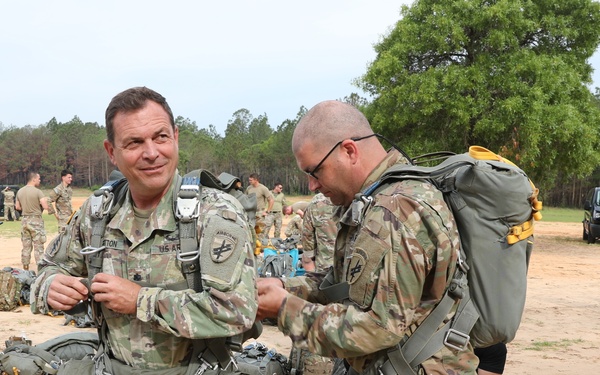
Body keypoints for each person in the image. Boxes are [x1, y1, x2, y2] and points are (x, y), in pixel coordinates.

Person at [30, 87, 257, 374]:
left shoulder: (214, 213)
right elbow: (47, 270)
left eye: (160, 137)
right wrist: (50, 286)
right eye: (135, 143)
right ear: (112, 152)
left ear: (175, 137)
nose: (151, 153)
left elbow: (236, 312)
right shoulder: (97, 213)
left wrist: (140, 300)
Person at [257, 100, 478, 374]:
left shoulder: (393, 210)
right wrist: (281, 285)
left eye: (315, 171)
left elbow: (376, 328)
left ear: (349, 150)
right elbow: (340, 286)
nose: (312, 185)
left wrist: (284, 308)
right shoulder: (376, 200)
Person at [15, 172, 49, 270]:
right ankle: (40, 269)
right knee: (38, 247)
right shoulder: (38, 192)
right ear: (33, 179)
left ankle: (25, 268)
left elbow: (17, 207)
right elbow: (45, 206)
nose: (40, 180)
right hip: (36, 220)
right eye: (39, 178)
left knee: (26, 247)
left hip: (25, 220)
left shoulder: (20, 191)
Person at [300, 193, 338, 272]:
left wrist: (308, 259)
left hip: (326, 268)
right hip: (356, 269)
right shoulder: (364, 197)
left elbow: (307, 235)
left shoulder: (318, 201)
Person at [246, 173, 274, 244]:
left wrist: (267, 211)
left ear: (256, 180)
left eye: (251, 180)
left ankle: (261, 247)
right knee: (251, 231)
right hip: (251, 213)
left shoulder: (263, 188)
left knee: (260, 232)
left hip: (260, 213)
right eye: (249, 180)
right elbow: (245, 198)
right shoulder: (249, 188)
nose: (249, 181)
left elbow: (271, 200)